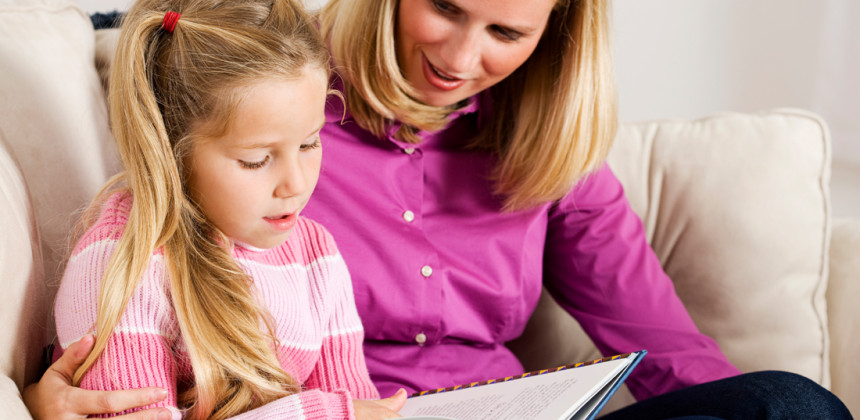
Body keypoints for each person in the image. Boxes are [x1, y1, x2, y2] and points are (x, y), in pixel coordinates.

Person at [25, 0, 852, 418]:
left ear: (553, 37)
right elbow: (182, 56)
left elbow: (667, 350)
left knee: (788, 405)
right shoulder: (281, 111)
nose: (461, 57)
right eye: (447, 7)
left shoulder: (549, 153)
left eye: (506, 31)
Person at [28, 0, 407, 419]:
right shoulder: (121, 262)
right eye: (256, 160)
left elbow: (355, 403)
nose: (296, 185)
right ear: (173, 150)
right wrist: (317, 412)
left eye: (309, 143)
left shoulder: (316, 253)